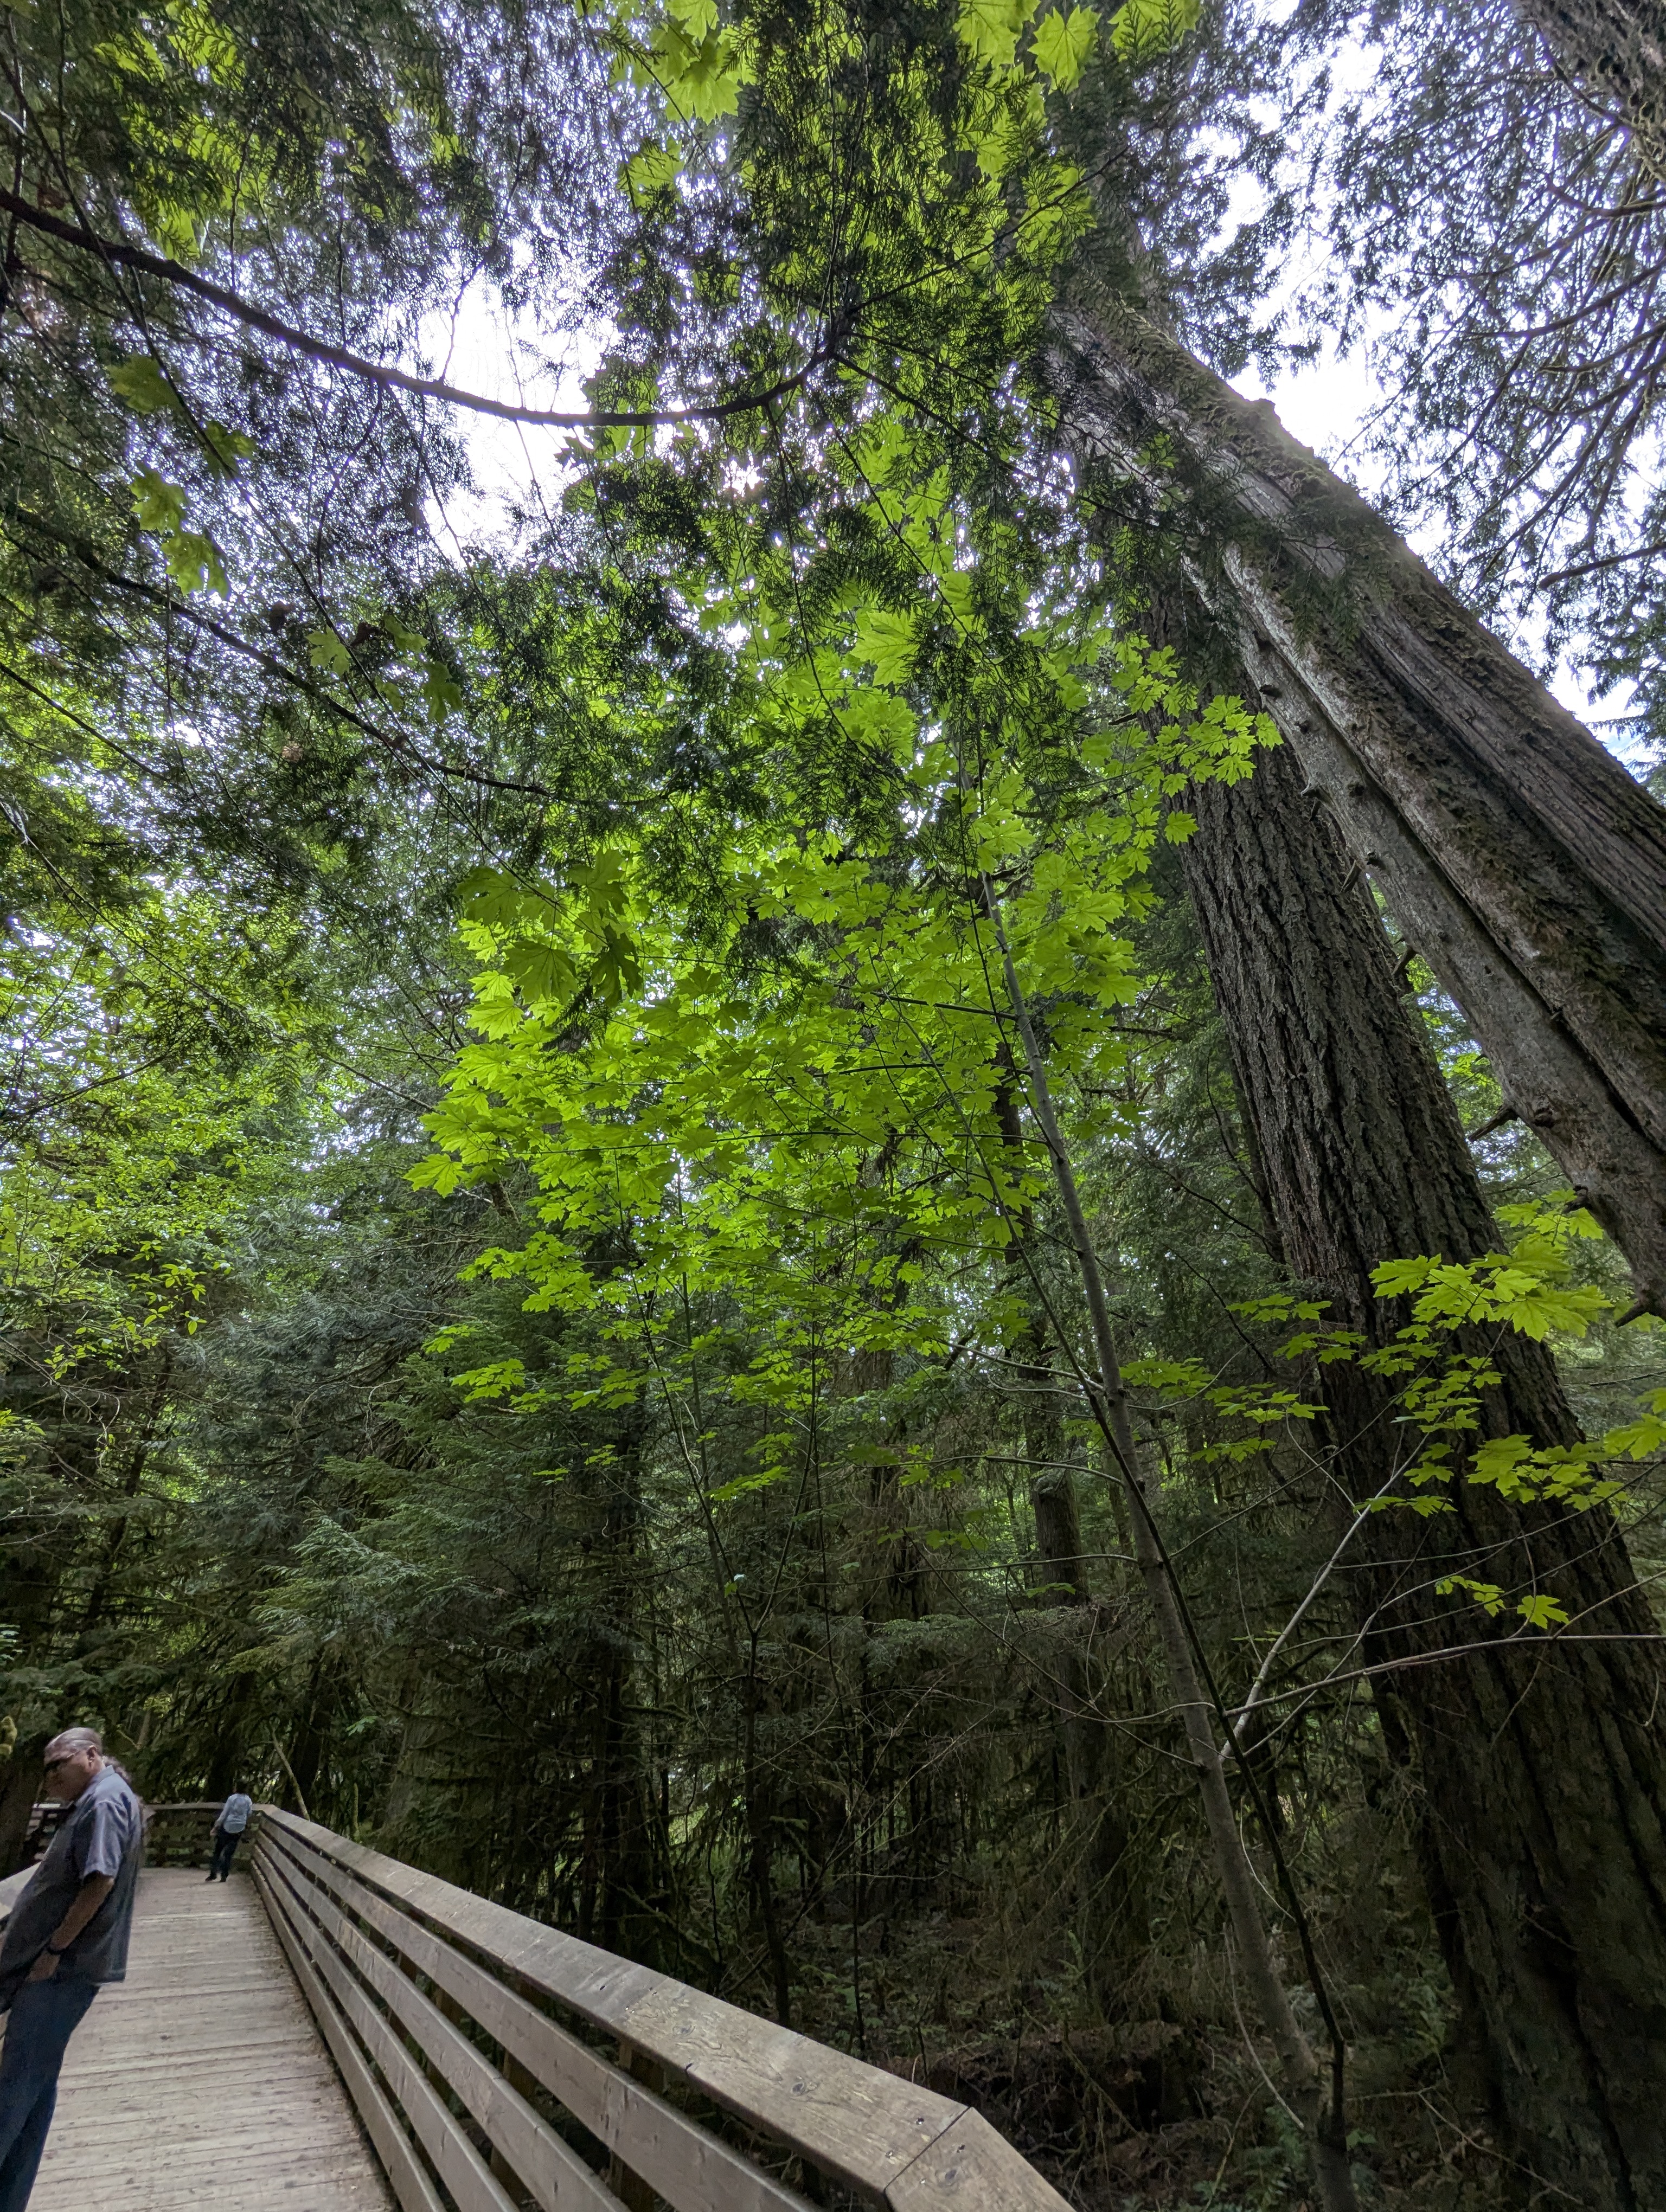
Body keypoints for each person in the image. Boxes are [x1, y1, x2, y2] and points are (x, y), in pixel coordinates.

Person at [0, 1727, 142, 2211]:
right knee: (36, 2087)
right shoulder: (101, 1797)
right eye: (45, 1768)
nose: (49, 1776)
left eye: (57, 1764)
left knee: (15, 2086)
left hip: (61, 1972)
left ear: (90, 1755)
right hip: (63, 1969)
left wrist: (54, 1951)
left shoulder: (104, 1802)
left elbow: (100, 1879)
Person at [206, 1786, 253, 1882]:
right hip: (239, 1829)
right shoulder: (248, 1800)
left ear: (236, 1788)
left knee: (218, 1850)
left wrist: (216, 1827)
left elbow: (224, 1814)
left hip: (227, 1827)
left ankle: (213, 1873)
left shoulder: (232, 1798)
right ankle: (224, 1875)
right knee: (229, 1854)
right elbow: (250, 1813)